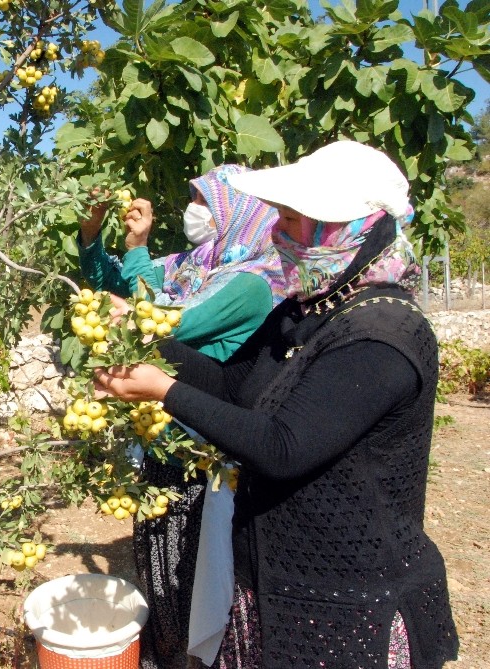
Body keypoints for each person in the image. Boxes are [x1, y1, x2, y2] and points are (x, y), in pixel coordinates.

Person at [93, 141, 459, 668]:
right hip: (272, 579)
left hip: (349, 604)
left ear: (346, 229)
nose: (277, 232)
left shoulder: (383, 335)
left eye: (291, 219)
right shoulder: (303, 310)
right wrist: (144, 337)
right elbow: (229, 383)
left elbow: (283, 447)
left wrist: (162, 390)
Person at [78, 165, 285, 669]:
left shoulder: (251, 283)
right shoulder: (197, 265)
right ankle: (171, 653)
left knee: (196, 576)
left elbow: (165, 321)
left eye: (203, 201)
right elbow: (118, 286)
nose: (195, 211)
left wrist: (136, 254)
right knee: (161, 567)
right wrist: (96, 235)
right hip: (164, 433)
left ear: (235, 210)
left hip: (203, 448)